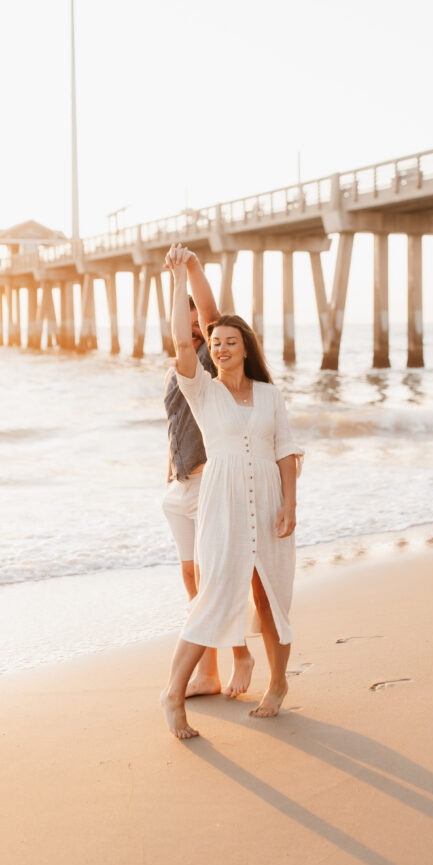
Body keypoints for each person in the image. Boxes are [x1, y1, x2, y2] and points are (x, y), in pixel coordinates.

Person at [161, 244, 302, 740]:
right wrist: (178, 279)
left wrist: (289, 503)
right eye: (213, 342)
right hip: (219, 503)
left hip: (267, 501)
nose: (218, 347)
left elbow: (287, 452)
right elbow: (183, 340)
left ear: (245, 348)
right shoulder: (201, 389)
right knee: (215, 592)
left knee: (271, 600)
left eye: (227, 342)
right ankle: (172, 695)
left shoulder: (269, 396)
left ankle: (278, 684)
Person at [162, 252, 254, 699]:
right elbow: (175, 427)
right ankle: (208, 672)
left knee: (215, 576)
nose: (194, 319)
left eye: (196, 313)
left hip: (208, 484)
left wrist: (191, 272)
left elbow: (213, 314)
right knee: (193, 581)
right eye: (185, 313)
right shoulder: (174, 369)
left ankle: (238, 655)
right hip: (178, 489)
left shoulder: (208, 357)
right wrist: (168, 476)